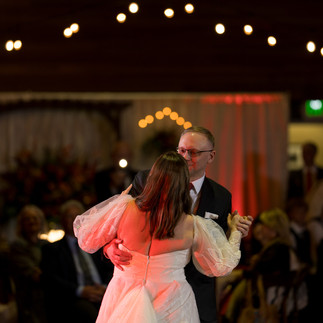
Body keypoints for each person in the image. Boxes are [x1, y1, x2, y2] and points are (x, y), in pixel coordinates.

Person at [74, 151, 244, 322]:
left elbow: (87, 238)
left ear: (152, 177)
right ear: (183, 184)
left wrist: (108, 246)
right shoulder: (192, 225)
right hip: (172, 303)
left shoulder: (123, 208)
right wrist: (235, 231)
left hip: (123, 294)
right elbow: (222, 265)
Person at [105, 126, 253, 323]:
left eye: (193, 152)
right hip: (146, 295)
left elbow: (218, 250)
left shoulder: (221, 196)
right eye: (181, 150)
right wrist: (109, 247)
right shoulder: (146, 180)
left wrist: (237, 233)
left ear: (211, 156)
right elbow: (119, 225)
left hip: (197, 293)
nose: (185, 157)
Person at [41, 199, 113, 323]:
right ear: (62, 220)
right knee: (92, 314)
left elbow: (110, 268)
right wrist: (80, 291)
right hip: (74, 297)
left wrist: (105, 287)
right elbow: (52, 279)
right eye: (70, 216)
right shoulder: (52, 249)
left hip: (103, 291)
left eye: (78, 215)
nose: (75, 220)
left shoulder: (96, 243)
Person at [9, 204, 49, 323]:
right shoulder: (17, 246)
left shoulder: (46, 244)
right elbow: (33, 274)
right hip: (30, 300)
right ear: (21, 224)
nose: (32, 221)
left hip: (49, 297)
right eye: (27, 219)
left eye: (35, 218)